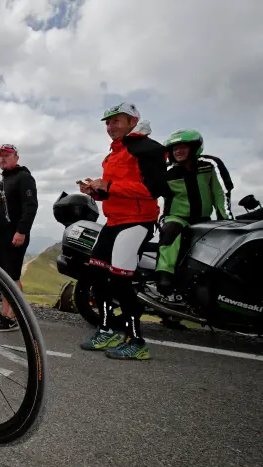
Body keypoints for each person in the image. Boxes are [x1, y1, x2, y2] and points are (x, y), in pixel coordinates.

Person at [78, 102, 169, 360]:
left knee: (120, 280)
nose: (110, 126)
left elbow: (154, 189)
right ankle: (107, 329)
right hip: (115, 220)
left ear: (133, 121)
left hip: (138, 221)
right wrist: (97, 190)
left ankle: (136, 341)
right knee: (95, 272)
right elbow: (116, 188)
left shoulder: (148, 148)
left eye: (116, 121)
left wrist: (109, 184)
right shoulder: (112, 154)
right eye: (107, 122)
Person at [156, 129, 233, 295]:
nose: (178, 151)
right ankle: (164, 276)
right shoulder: (167, 171)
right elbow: (149, 190)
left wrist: (227, 222)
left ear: (194, 148)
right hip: (175, 217)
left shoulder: (210, 164)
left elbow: (221, 193)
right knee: (171, 230)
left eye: (183, 147)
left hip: (204, 219)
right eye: (175, 148)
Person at [0, 144, 38, 332]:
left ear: (16, 157)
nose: (2, 158)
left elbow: (30, 206)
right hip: (1, 234)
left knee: (12, 277)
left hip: (15, 234)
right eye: (0, 156)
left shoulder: (24, 178)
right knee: (4, 277)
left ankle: (13, 318)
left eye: (7, 155)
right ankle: (4, 314)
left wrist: (22, 231)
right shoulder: (5, 180)